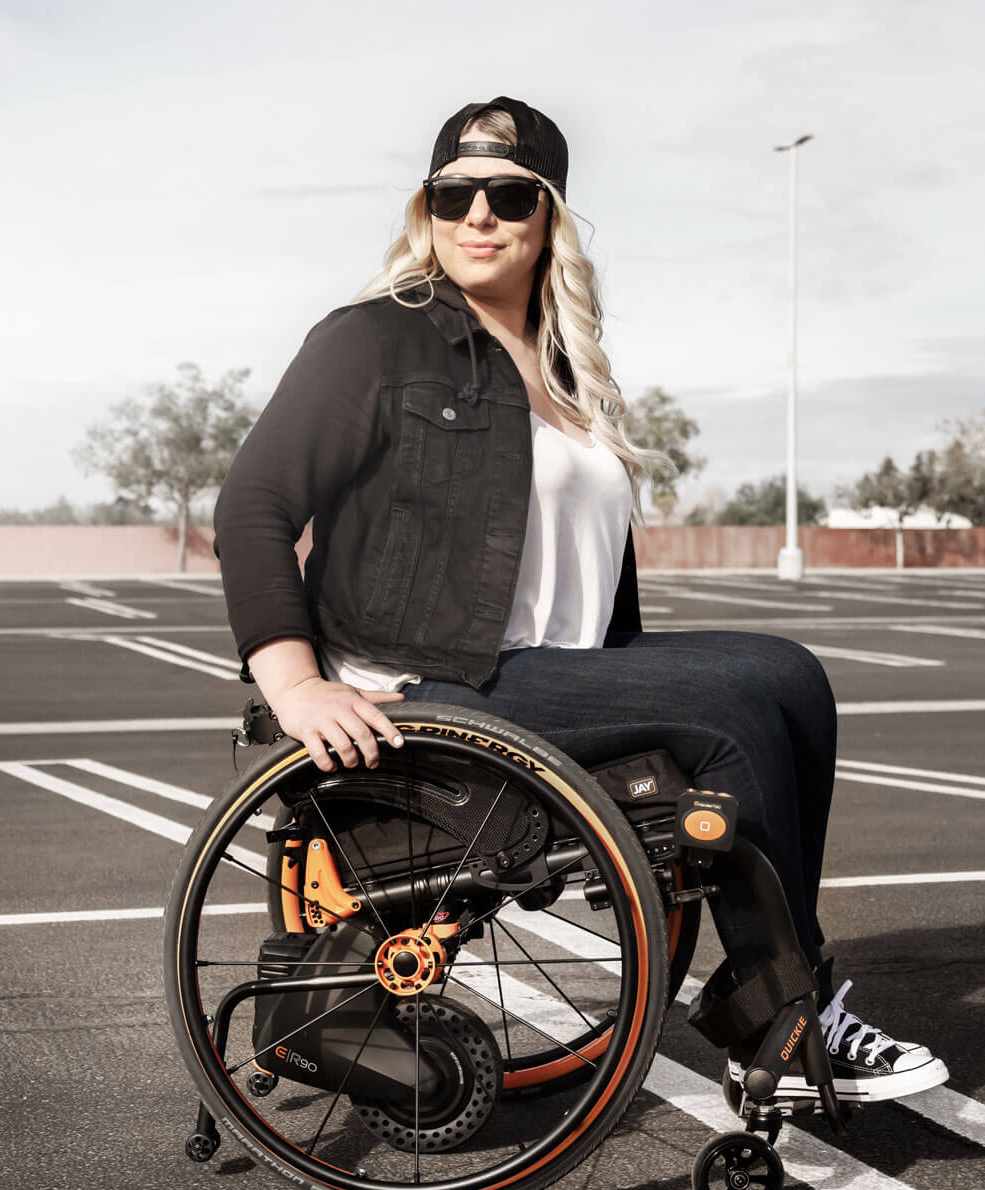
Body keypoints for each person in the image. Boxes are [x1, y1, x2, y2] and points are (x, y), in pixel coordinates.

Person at [212, 95, 946, 1105]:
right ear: (426, 212)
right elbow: (252, 503)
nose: (478, 214)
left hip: (550, 671)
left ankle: (784, 992)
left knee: (790, 676)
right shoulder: (376, 340)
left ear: (548, 215)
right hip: (435, 675)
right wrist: (293, 684)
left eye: (508, 196)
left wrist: (636, 684)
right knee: (730, 708)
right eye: (453, 195)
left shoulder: (564, 367)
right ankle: (780, 1022)